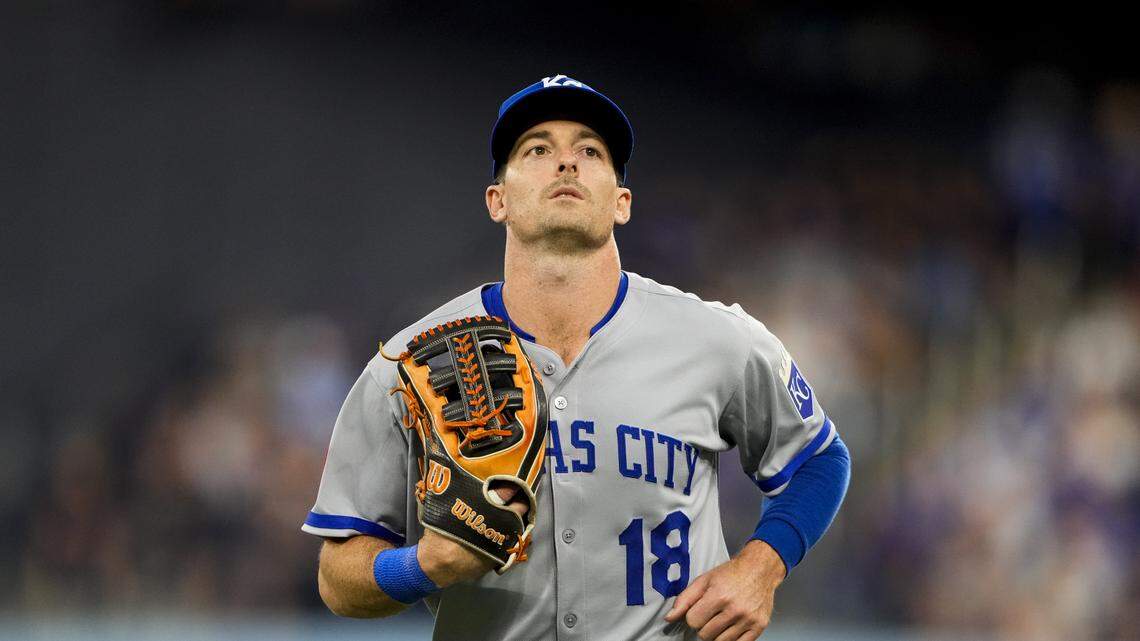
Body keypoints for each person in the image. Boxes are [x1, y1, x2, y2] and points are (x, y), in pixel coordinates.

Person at [302, 74, 851, 641]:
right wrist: (421, 566)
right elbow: (337, 578)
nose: (566, 163)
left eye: (589, 150)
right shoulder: (412, 363)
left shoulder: (716, 338)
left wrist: (761, 567)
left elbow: (820, 461)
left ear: (622, 202)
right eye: (537, 149)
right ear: (498, 200)